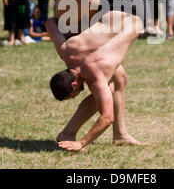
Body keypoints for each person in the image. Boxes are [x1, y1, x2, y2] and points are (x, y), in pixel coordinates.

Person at [47, 10, 144, 151]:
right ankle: (119, 134)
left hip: (135, 13)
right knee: (119, 79)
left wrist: (81, 143)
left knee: (109, 89)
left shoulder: (96, 79)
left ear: (74, 85)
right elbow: (50, 22)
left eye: (71, 97)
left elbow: (107, 117)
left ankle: (69, 132)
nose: (75, 98)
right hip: (111, 12)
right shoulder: (65, 50)